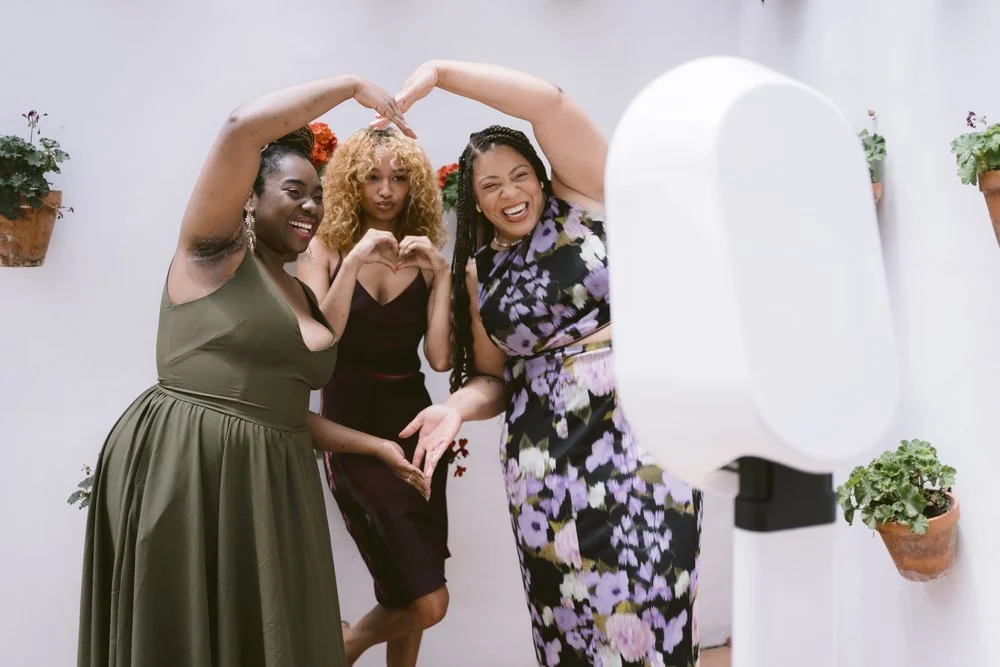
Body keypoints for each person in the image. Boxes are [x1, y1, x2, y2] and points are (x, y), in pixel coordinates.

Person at [77, 75, 430, 667]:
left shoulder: (295, 290)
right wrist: (350, 88)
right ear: (248, 197)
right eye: (294, 191)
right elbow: (241, 128)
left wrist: (375, 447)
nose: (311, 206)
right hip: (192, 471)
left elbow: (282, 412)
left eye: (317, 195)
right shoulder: (211, 254)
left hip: (273, 481)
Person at [373, 60, 703, 667]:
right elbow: (492, 379)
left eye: (519, 175)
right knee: (569, 614)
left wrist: (442, 74)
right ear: (473, 200)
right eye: (490, 186)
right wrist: (452, 409)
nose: (509, 193)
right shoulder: (482, 272)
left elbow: (548, 102)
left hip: (640, 433)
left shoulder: (585, 200)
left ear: (542, 177)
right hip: (542, 458)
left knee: (654, 597)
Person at [297, 126, 451, 667]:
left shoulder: (424, 255)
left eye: (400, 178)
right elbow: (322, 344)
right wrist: (357, 257)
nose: (386, 190)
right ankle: (339, 648)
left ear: (415, 188)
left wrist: (443, 275)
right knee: (431, 601)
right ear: (351, 183)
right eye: (373, 177)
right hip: (353, 433)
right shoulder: (325, 250)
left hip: (417, 432)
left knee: (408, 589)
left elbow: (438, 360)